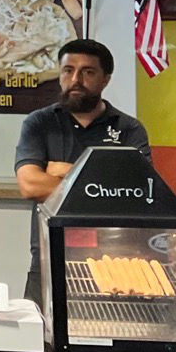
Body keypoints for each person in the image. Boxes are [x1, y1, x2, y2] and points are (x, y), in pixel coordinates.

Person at [15, 39, 151, 301]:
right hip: (48, 258)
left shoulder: (129, 129)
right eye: (68, 70)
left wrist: (62, 170)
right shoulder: (39, 123)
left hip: (114, 261)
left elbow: (137, 193)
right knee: (40, 340)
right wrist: (104, 183)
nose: (75, 79)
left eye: (87, 72)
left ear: (105, 79)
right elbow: (30, 185)